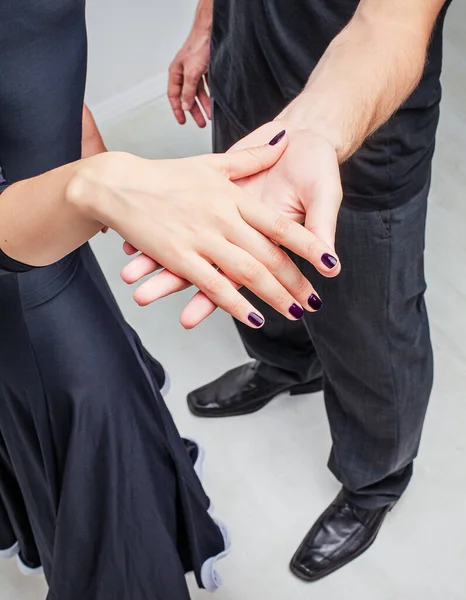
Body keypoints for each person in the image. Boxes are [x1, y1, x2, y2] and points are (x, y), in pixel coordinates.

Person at [0, 1, 340, 598]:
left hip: (50, 233)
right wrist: (92, 187)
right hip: (27, 283)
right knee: (106, 477)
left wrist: (69, 126)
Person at [159, 0, 453, 583]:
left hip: (362, 129)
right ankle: (288, 363)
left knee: (372, 331)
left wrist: (312, 129)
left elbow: (391, 22)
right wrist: (206, 27)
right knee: (260, 273)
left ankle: (375, 481)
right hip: (247, 81)